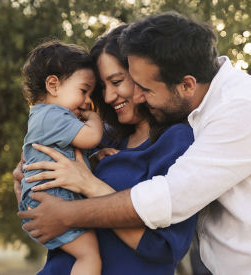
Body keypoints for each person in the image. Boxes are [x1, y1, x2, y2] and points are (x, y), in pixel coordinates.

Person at [17, 12, 251, 274]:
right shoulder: (157, 124)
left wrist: (72, 207)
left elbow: (169, 199)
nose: (134, 94)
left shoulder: (241, 108)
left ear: (186, 85)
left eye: (142, 86)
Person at [26, 24, 198, 275]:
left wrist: (89, 185)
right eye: (101, 89)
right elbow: (48, 219)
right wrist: (28, 180)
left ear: (142, 76)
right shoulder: (103, 140)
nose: (107, 97)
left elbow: (162, 249)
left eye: (116, 82)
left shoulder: (176, 141)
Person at [16, 40, 103, 275]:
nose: (87, 101)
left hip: (46, 196)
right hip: (52, 198)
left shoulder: (46, 117)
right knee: (89, 255)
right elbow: (91, 137)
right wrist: (95, 119)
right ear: (53, 85)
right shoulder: (54, 115)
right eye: (84, 90)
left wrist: (96, 157)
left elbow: (74, 158)